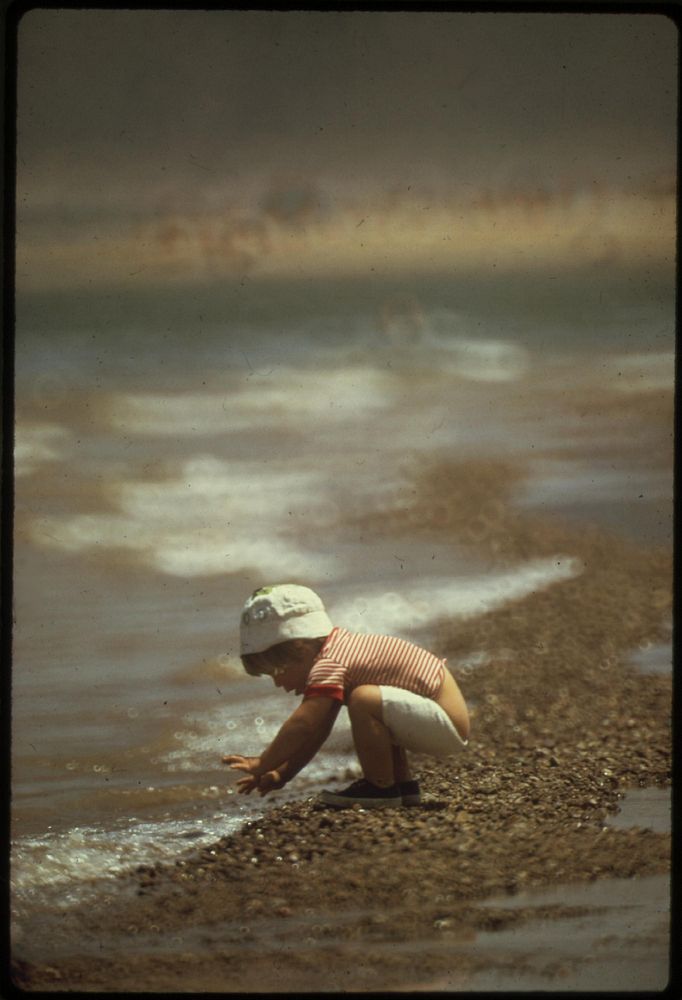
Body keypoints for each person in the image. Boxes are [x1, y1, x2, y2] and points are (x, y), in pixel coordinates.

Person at [223, 584, 470, 809]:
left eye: (278, 671)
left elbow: (303, 725)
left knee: (363, 699)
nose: (278, 683)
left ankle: (381, 788)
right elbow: (317, 731)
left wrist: (263, 763)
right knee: (372, 704)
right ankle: (401, 786)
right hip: (438, 719)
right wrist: (281, 774)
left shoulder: (329, 663)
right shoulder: (339, 652)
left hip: (445, 721)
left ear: (301, 647)